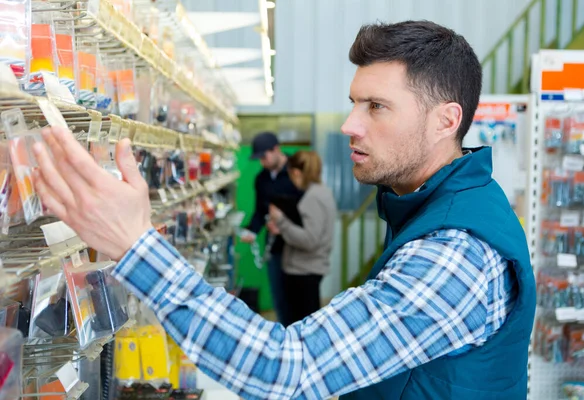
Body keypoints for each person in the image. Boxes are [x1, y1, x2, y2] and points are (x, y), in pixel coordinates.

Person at [32, 20, 535, 400]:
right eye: (354, 102)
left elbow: (285, 368)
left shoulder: (457, 252)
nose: (349, 125)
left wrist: (136, 246)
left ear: (446, 120)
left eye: (376, 107)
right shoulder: (434, 209)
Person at [266, 151, 336, 325]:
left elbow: (309, 240)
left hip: (304, 271)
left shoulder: (313, 197)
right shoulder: (322, 192)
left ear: (296, 173)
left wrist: (281, 221)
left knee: (301, 324)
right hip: (309, 269)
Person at [241, 131, 303, 324]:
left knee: (301, 298)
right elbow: (260, 210)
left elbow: (310, 209)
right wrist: (252, 230)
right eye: (259, 159)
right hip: (275, 247)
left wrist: (286, 226)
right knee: (280, 297)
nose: (262, 162)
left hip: (300, 246)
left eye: (264, 156)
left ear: (276, 149)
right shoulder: (261, 180)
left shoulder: (299, 170)